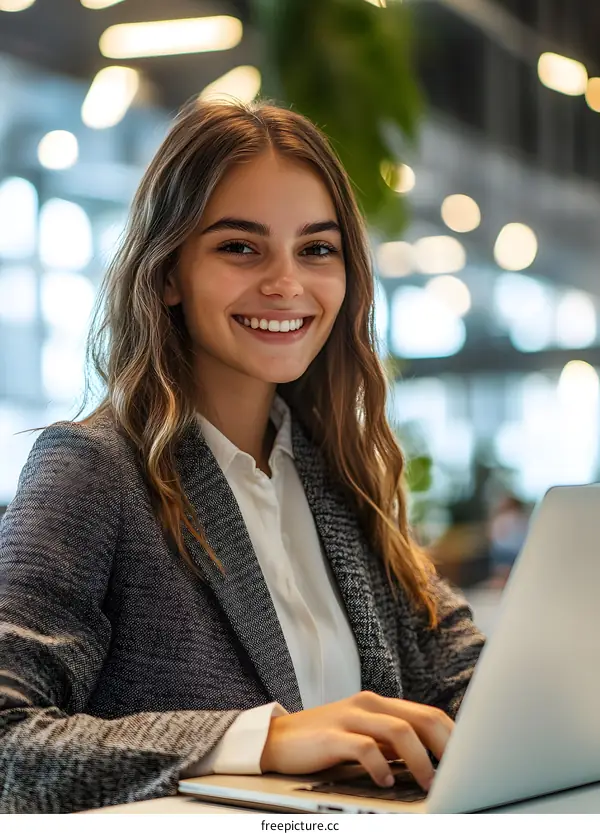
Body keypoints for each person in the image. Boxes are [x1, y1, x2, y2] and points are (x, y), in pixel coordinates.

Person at [0, 99, 484, 814]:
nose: (286, 283)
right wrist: (262, 740)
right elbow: (9, 741)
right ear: (167, 274)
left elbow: (471, 682)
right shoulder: (93, 470)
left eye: (317, 249)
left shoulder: (341, 476)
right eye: (239, 247)